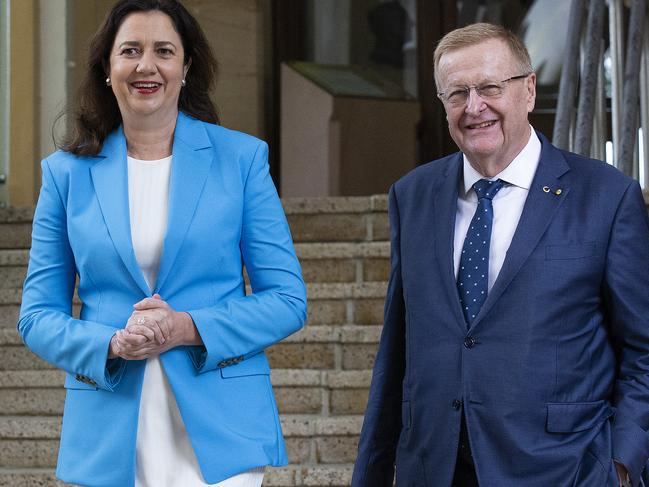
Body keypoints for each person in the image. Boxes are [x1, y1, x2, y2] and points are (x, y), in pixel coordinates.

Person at [18, 1, 306, 486]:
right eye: (129, 50)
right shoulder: (64, 175)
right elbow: (36, 315)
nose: (146, 65)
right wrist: (110, 342)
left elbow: (288, 301)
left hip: (220, 421)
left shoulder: (241, 160)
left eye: (164, 51)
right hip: (109, 424)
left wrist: (186, 327)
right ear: (107, 68)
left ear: (186, 67)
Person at [352, 23, 649, 487]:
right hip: (433, 468)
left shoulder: (607, 196)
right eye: (457, 94)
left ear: (528, 90)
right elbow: (398, 350)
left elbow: (643, 349)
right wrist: (371, 471)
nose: (475, 107)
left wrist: (621, 464)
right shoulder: (412, 196)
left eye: (490, 87)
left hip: (563, 469)